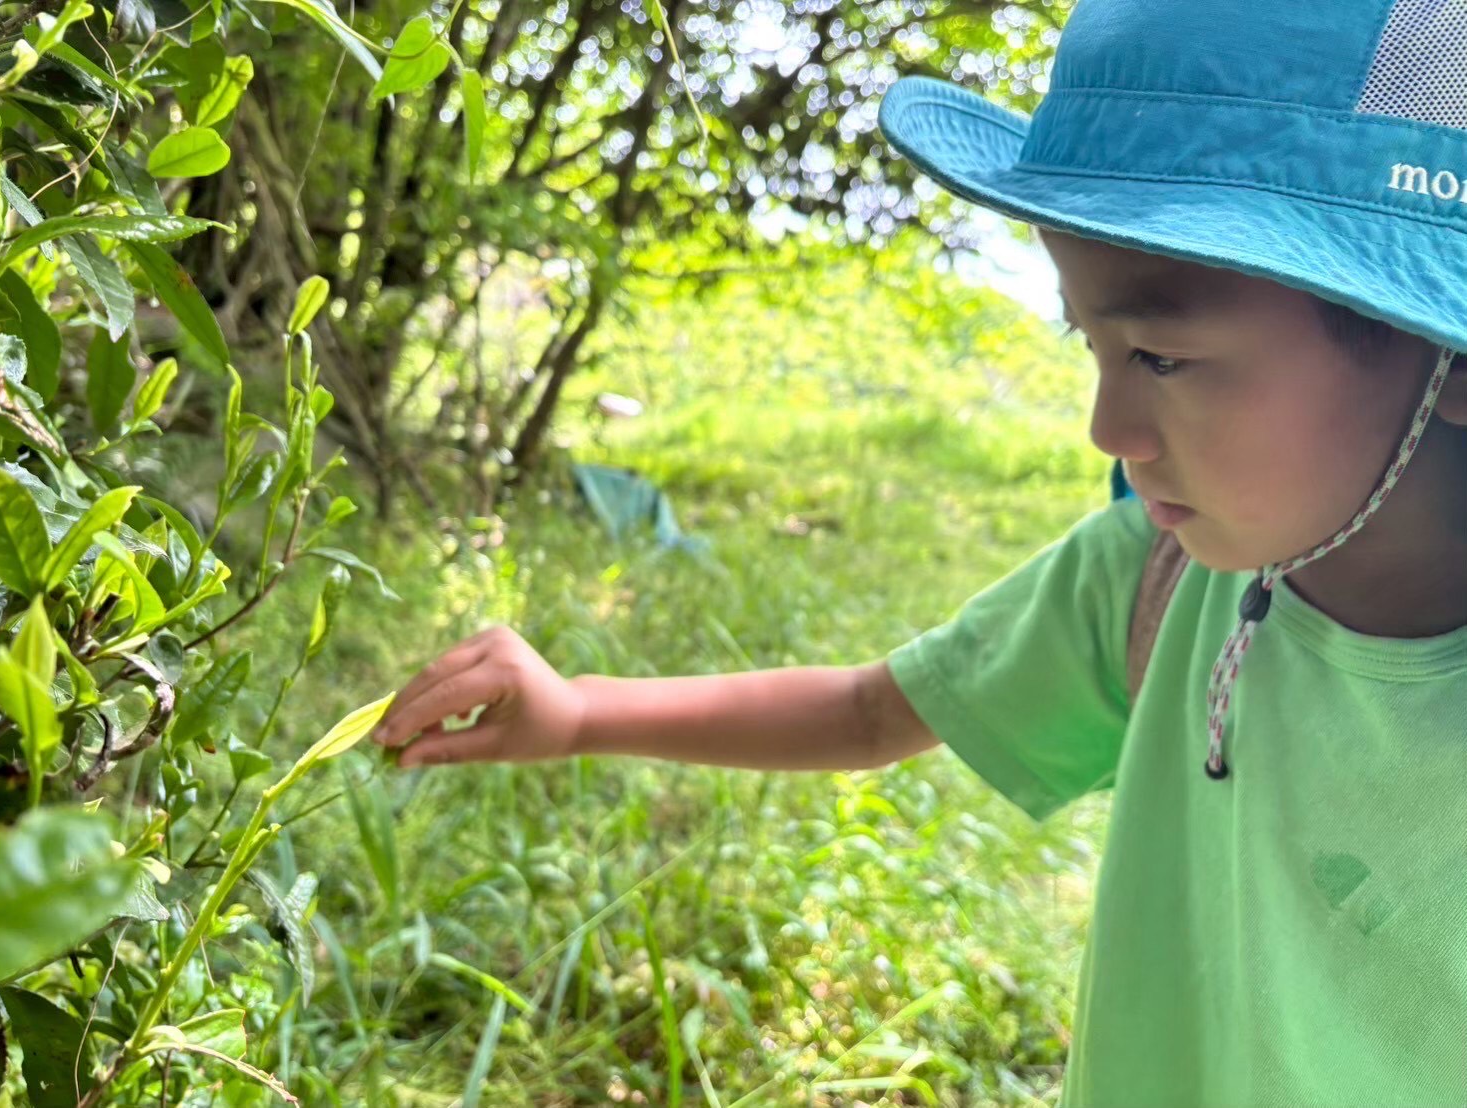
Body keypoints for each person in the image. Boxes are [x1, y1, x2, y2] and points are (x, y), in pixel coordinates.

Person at [373, 0, 1467, 1102]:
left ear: (1443, 356)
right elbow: (875, 710)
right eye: (1089, 346)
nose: (1109, 432)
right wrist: (580, 712)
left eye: (1161, 356)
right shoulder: (1161, 577)